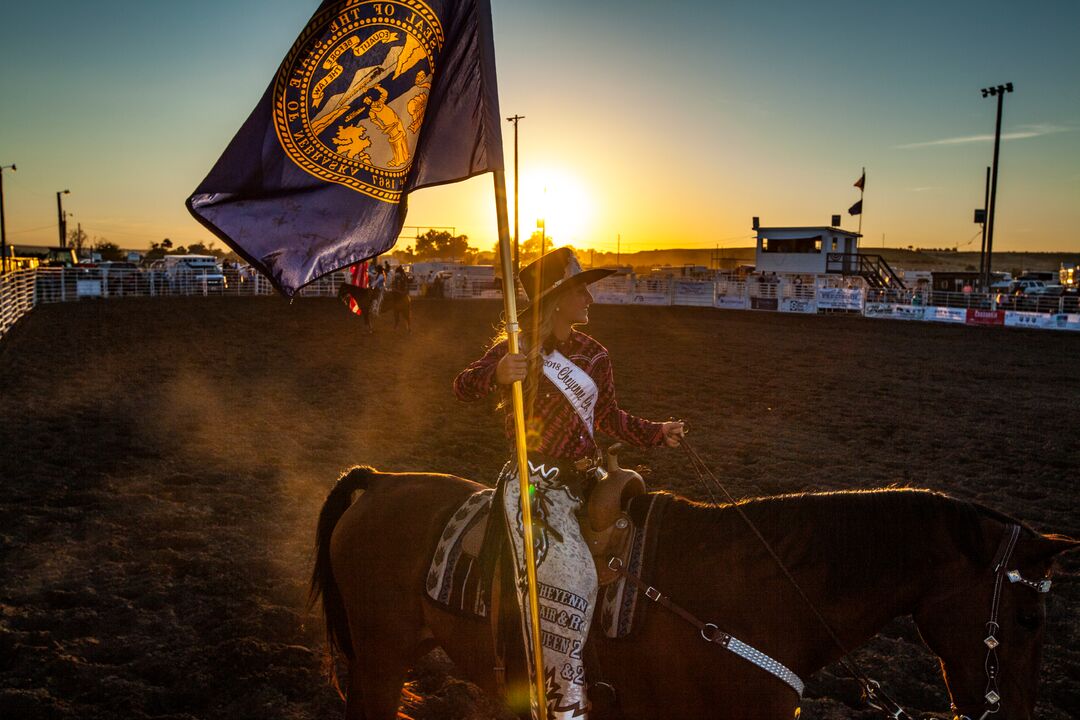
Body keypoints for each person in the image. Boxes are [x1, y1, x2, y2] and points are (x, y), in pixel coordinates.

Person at [453, 248, 684, 720]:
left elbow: (606, 416)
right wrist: (497, 375)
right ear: (556, 300)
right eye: (581, 291)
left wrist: (657, 432)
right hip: (534, 481)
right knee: (573, 577)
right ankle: (562, 703)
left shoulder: (595, 355)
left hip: (587, 477)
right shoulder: (517, 348)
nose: (590, 300)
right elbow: (462, 386)